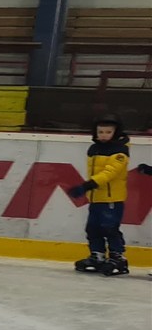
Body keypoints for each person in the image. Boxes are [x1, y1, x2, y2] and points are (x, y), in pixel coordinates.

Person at [66, 115, 132, 275]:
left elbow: (110, 173)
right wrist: (90, 188)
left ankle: (118, 257)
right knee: (92, 228)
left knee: (110, 228)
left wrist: (88, 185)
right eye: (100, 132)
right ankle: (98, 255)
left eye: (108, 132)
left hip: (112, 199)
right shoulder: (94, 149)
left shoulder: (120, 151)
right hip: (96, 198)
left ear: (116, 133)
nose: (103, 135)